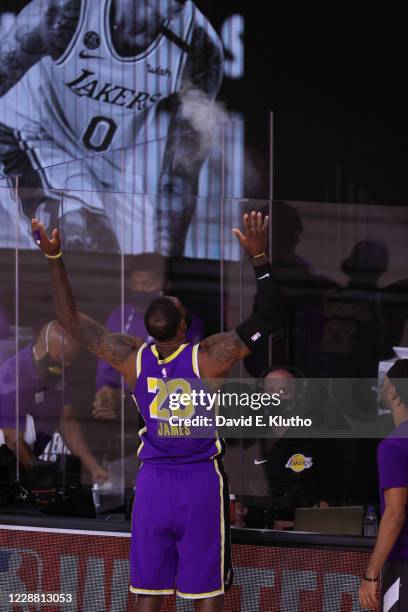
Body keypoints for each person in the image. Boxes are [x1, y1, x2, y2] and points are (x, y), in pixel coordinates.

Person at [32, 210, 281, 610]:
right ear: (184, 327)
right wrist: (260, 258)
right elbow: (267, 319)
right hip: (198, 481)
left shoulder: (131, 358)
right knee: (205, 593)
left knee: (147, 592)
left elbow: (70, 322)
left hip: (152, 485)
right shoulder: (209, 356)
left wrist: (54, 258)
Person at [0, 0, 223, 255]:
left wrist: (166, 261)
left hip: (111, 171)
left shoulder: (199, 47)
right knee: (92, 248)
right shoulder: (65, 11)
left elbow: (180, 174)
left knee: (145, 283)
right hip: (30, 139)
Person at [94, 252, 204, 420]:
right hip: (121, 417)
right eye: (136, 283)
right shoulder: (119, 316)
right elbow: (105, 364)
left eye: (147, 284)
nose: (140, 289)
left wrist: (123, 395)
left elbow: (181, 378)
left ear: (166, 285)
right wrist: (106, 393)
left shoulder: (184, 322)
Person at [0, 320, 108, 483]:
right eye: (61, 361)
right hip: (8, 463)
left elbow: (67, 423)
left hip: (32, 459)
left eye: (69, 361)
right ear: (44, 349)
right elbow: (14, 441)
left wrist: (94, 468)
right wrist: (40, 477)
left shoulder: (61, 369)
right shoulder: (12, 376)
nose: (65, 367)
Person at [359, 360, 408, 611]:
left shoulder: (394, 445)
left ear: (393, 389)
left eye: (384, 383)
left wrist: (371, 574)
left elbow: (395, 513)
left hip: (403, 564)